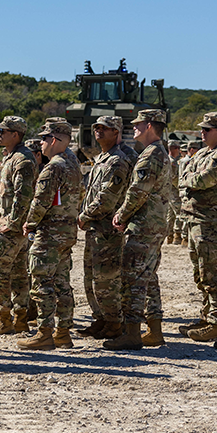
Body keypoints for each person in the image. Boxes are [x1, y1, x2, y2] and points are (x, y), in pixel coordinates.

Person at [106, 109, 172, 350]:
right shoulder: (158, 151)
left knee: (132, 278)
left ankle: (132, 333)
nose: (133, 127)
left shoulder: (151, 155)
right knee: (148, 277)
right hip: (153, 224)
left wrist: (121, 214)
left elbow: (138, 191)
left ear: (150, 126)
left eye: (138, 123)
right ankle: (154, 330)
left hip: (143, 225)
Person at [16, 121, 82, 350]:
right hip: (67, 232)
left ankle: (44, 333)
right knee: (63, 283)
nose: (41, 143)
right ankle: (63, 332)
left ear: (54, 140)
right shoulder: (73, 162)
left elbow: (41, 200)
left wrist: (30, 223)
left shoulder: (54, 167)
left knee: (42, 282)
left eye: (44, 138)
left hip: (50, 234)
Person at [77, 116, 133, 340]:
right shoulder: (101, 158)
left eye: (105, 128)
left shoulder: (118, 160)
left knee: (106, 279)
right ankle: (101, 318)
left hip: (108, 230)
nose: (99, 131)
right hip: (95, 228)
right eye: (96, 128)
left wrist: (83, 215)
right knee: (91, 277)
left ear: (116, 132)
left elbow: (107, 198)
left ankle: (114, 322)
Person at [178, 112, 217, 348]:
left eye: (208, 129)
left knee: (212, 272)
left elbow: (203, 180)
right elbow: (185, 177)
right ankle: (206, 317)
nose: (202, 132)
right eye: (202, 128)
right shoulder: (202, 153)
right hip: (195, 219)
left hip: (211, 221)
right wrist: (189, 177)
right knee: (200, 273)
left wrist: (188, 177)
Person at [0, 116, 37, 335]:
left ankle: (5, 318)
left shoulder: (23, 159)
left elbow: (23, 195)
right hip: (14, 225)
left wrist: (12, 222)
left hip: (13, 228)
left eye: (3, 131)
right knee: (18, 274)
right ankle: (20, 319)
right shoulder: (13, 157)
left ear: (15, 134)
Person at [167, 141, 183, 244]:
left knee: (171, 214)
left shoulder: (173, 160)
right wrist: (181, 187)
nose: (178, 150)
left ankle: (169, 236)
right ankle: (177, 236)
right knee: (179, 213)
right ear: (172, 149)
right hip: (174, 191)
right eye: (176, 148)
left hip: (170, 192)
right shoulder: (171, 162)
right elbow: (173, 179)